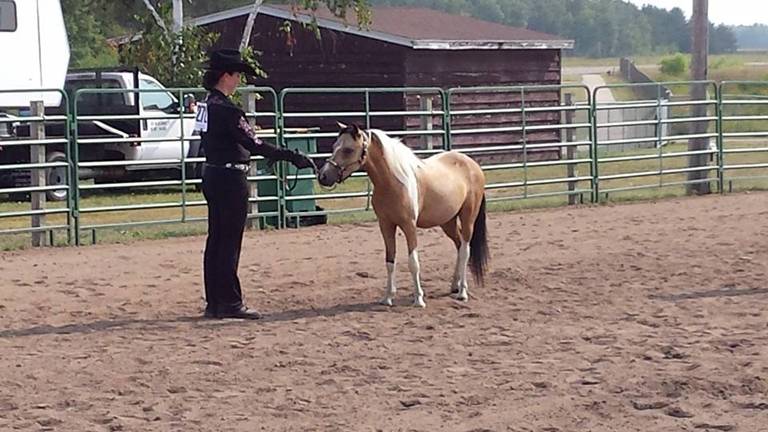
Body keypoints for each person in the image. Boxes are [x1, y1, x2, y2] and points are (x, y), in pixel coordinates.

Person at [197, 49, 315, 320]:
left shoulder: (206, 105)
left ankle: (215, 301)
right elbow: (254, 143)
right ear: (225, 76)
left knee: (216, 239)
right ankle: (230, 302)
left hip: (212, 174)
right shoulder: (228, 110)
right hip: (230, 179)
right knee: (229, 242)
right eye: (237, 74)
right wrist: (290, 156)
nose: (238, 80)